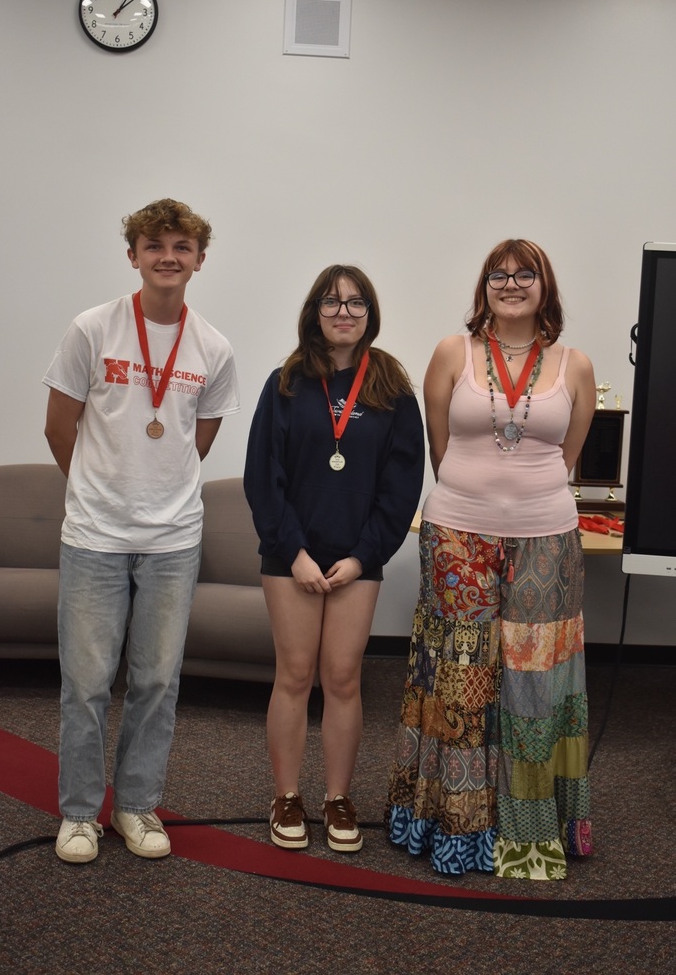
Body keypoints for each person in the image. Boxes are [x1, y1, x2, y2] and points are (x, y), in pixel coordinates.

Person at [385, 239, 596, 880]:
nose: (511, 284)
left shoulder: (575, 365)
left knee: (537, 681)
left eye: (524, 274)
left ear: (545, 287)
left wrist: (522, 501)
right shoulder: (454, 353)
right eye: (497, 275)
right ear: (483, 288)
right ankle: (456, 828)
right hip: (458, 534)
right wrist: (484, 501)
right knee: (462, 678)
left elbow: (568, 459)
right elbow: (440, 447)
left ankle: (529, 834)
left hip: (546, 537)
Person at [43, 198, 240, 863]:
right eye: (154, 245)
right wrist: (100, 490)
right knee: (87, 682)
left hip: (173, 541)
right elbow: (57, 425)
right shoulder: (92, 329)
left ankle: (135, 806)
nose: (167, 257)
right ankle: (78, 814)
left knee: (157, 681)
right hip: (94, 537)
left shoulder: (213, 347)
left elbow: (197, 436)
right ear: (133, 255)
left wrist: (156, 489)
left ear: (198, 260)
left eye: (181, 247)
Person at [244, 265, 425, 853]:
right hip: (289, 557)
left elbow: (401, 487)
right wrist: (292, 551)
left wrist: (362, 556)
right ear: (314, 312)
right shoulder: (286, 383)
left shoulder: (393, 389)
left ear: (370, 314)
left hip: (356, 560)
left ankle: (338, 798)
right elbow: (261, 478)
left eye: (355, 304)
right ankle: (288, 796)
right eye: (331, 302)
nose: (343, 312)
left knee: (343, 679)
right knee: (294, 675)